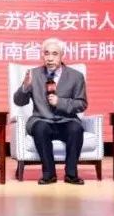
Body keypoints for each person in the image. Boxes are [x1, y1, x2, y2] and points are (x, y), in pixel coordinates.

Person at [12, 37, 88, 185]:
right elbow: (19, 102)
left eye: (54, 54)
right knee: (40, 128)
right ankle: (49, 174)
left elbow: (81, 104)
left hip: (67, 120)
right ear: (43, 55)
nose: (50, 58)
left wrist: (60, 102)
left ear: (62, 55)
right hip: (42, 119)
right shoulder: (33, 74)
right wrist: (25, 88)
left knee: (76, 129)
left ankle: (71, 174)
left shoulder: (76, 76)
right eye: (46, 53)